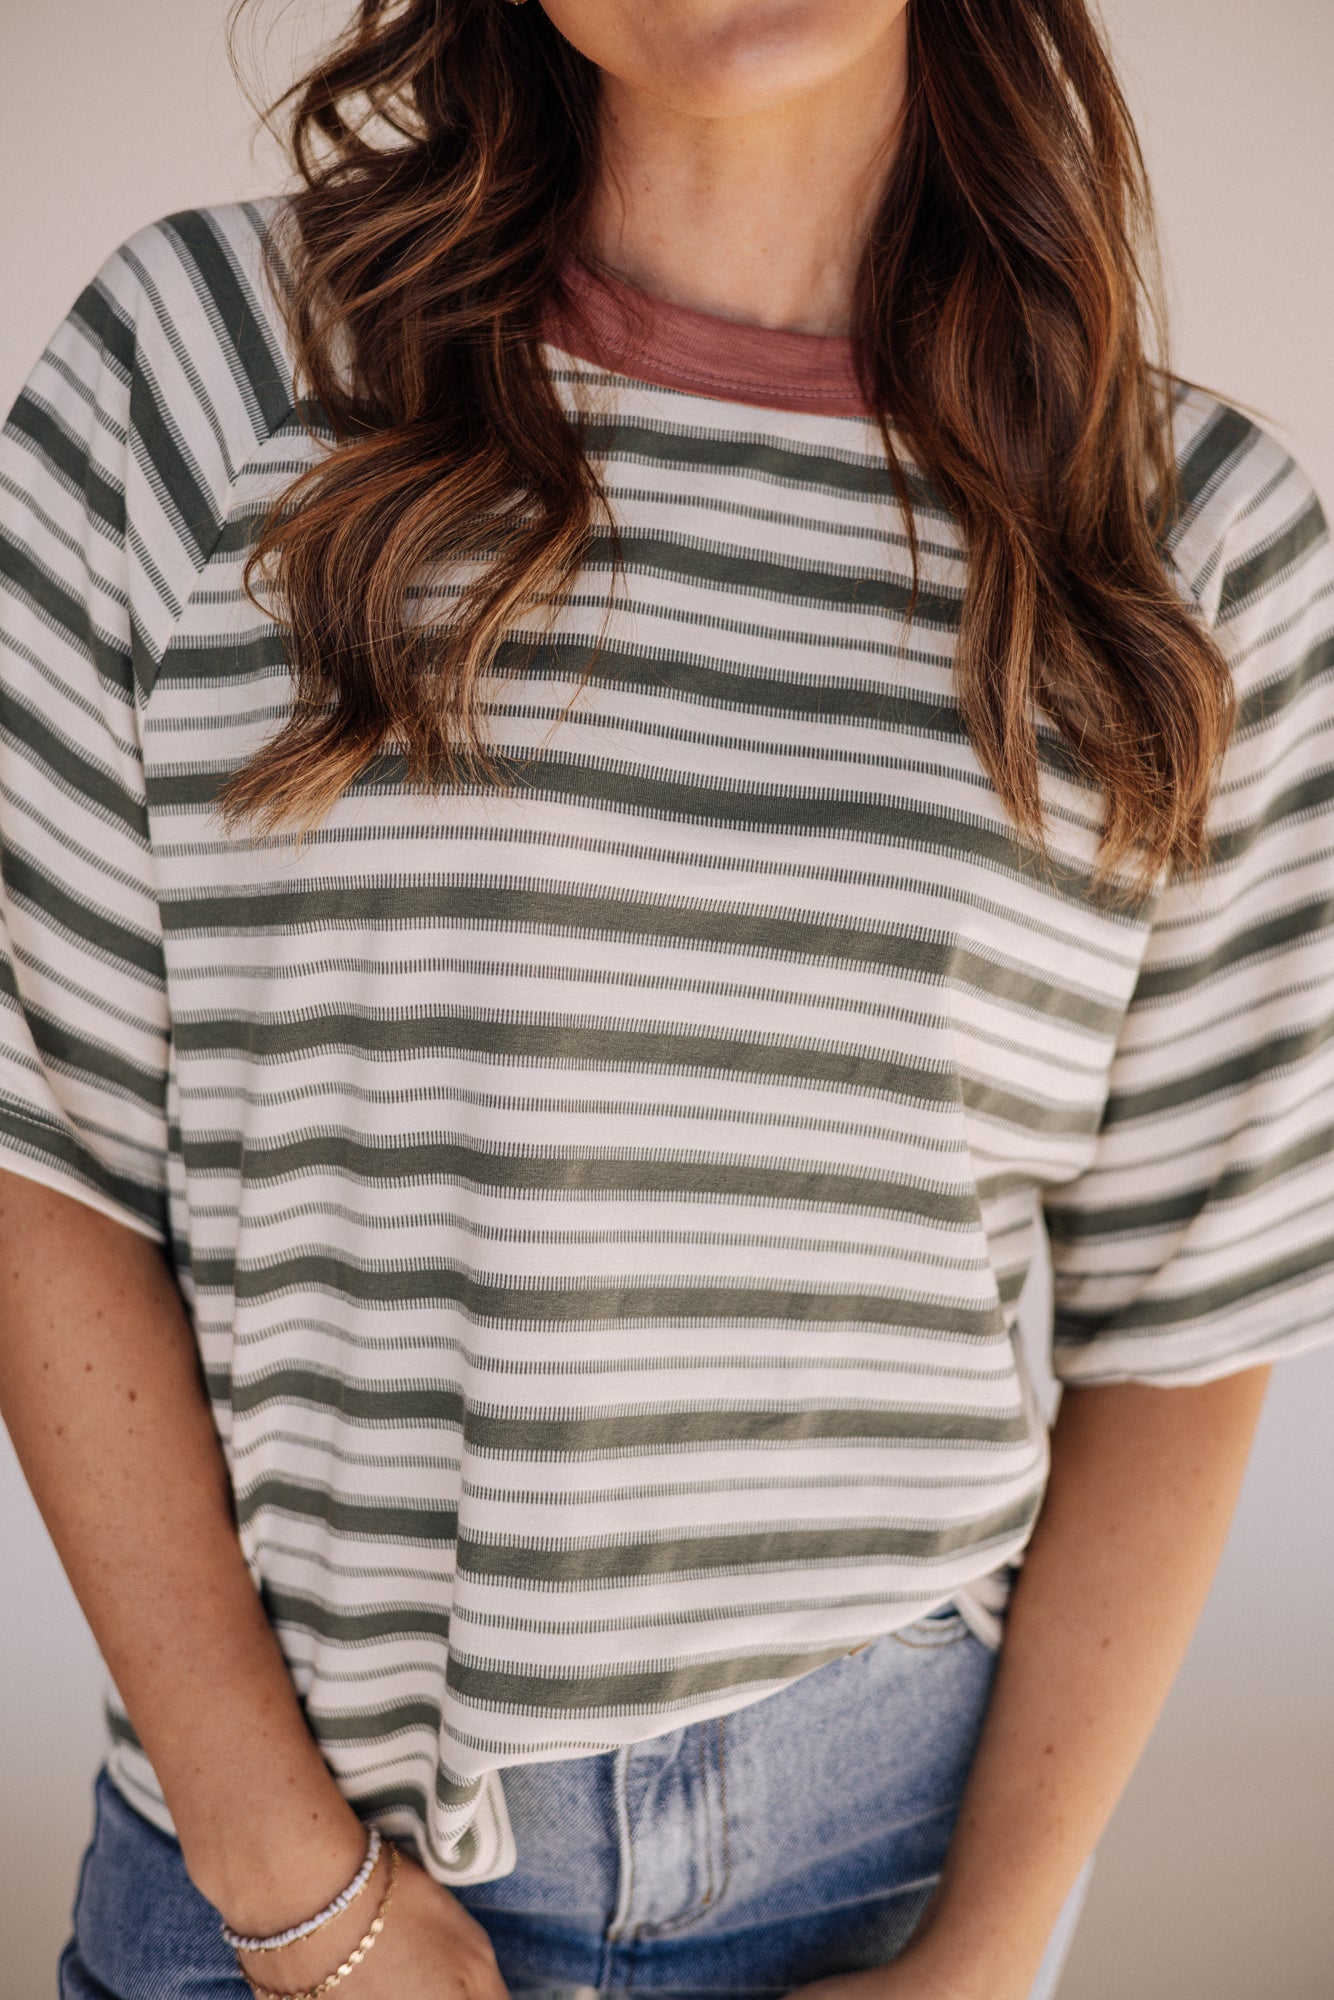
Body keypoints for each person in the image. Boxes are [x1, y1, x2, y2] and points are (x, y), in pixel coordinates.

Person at [1, 3, 1330, 1997]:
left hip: (878, 1874)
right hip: (276, 1873)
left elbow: (1182, 1314)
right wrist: (288, 1875)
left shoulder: (1194, 542)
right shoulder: (201, 372)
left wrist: (981, 1959)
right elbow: (40, 1148)